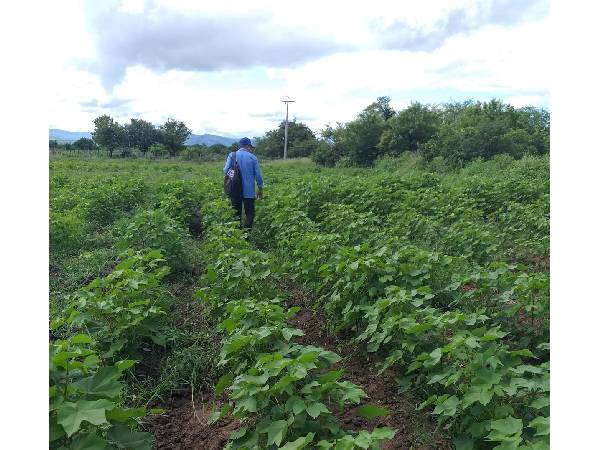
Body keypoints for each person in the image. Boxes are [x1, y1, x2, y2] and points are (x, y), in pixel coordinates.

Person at [223, 137, 264, 229]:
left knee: (236, 214)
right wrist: (260, 188)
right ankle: (246, 236)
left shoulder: (232, 155)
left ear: (240, 146)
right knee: (250, 214)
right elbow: (258, 175)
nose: (251, 149)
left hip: (235, 190)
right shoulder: (252, 157)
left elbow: (225, 170)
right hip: (249, 192)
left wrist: (234, 175)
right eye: (251, 147)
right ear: (248, 146)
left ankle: (237, 237)